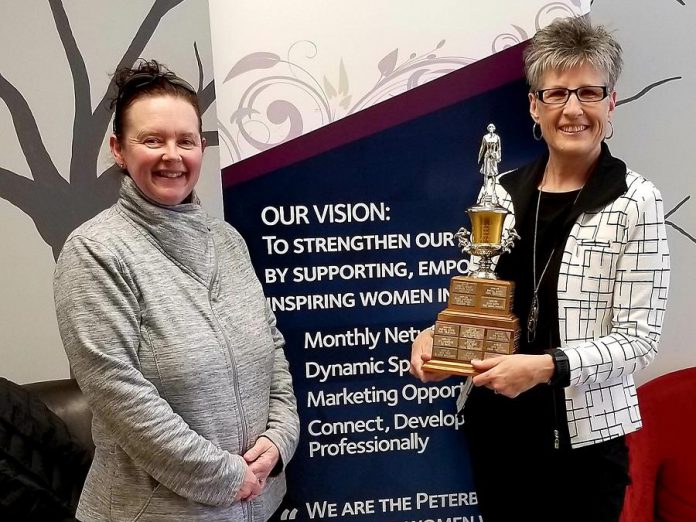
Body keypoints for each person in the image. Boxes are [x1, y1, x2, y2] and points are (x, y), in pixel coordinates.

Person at [410, 17, 670, 522]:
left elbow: (640, 339)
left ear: (611, 104)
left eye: (589, 92)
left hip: (583, 446)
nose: (573, 109)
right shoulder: (502, 193)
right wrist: (438, 339)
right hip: (497, 434)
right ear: (535, 106)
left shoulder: (636, 201)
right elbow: (478, 301)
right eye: (557, 94)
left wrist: (544, 367)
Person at [53, 60, 300, 521]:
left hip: (258, 504)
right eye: (152, 140)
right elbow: (118, 394)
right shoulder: (94, 251)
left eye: (186, 140)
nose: (173, 155)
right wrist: (226, 477)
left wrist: (279, 438)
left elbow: (274, 350)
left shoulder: (227, 241)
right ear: (118, 150)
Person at [477, 123, 501, 205]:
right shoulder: (485, 137)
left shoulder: (497, 137)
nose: (491, 128)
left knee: (494, 174)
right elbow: (482, 147)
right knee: (486, 174)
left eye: (492, 127)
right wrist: (479, 157)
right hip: (487, 156)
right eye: (489, 127)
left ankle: (493, 191)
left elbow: (499, 148)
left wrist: (499, 157)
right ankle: (485, 190)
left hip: (493, 156)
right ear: (488, 128)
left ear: (494, 128)